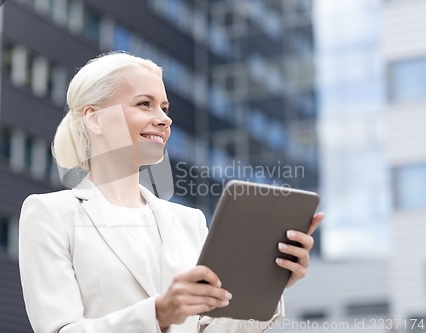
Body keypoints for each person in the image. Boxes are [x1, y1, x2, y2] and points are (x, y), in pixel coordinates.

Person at [18, 51, 324, 333]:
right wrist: (159, 313)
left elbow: (209, 329)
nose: (165, 119)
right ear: (95, 118)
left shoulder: (188, 222)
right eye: (144, 104)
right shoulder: (50, 214)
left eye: (164, 107)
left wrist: (268, 283)